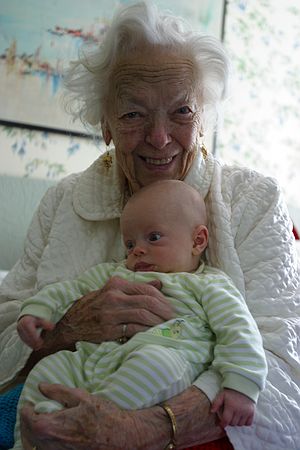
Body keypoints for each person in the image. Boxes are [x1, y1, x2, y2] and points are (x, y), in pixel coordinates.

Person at [0, 2, 299, 450]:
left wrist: (141, 428)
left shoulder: (254, 201)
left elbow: (287, 370)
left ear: (204, 120)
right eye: (133, 114)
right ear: (105, 124)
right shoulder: (64, 201)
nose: (160, 138)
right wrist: (63, 331)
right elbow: (7, 332)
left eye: (181, 111)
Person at [12, 180, 267, 449]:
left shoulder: (210, 284)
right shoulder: (118, 272)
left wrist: (242, 384)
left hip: (168, 355)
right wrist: (36, 309)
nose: (137, 251)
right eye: (130, 243)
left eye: (153, 237)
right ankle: (28, 438)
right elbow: (70, 290)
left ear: (198, 240)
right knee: (49, 368)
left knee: (155, 366)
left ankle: (85, 428)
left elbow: (238, 329)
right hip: (97, 358)